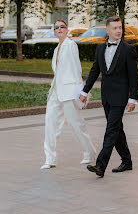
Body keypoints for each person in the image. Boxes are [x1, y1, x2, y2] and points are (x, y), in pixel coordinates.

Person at [80, 16, 138, 178]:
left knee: (110, 131)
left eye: (120, 28)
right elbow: (94, 71)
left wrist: (133, 98)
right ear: (107, 30)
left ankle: (100, 165)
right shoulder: (100, 48)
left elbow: (134, 76)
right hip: (106, 96)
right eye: (115, 28)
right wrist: (85, 92)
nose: (118, 31)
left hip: (120, 97)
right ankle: (127, 161)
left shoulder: (128, 49)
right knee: (117, 129)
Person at [40, 19, 96, 170]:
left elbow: (76, 69)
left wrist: (82, 92)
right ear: (54, 31)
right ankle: (50, 159)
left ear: (67, 29)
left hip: (69, 92)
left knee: (77, 124)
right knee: (50, 123)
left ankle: (89, 153)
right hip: (55, 92)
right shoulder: (56, 48)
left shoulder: (71, 45)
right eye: (56, 27)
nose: (59, 29)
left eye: (62, 27)